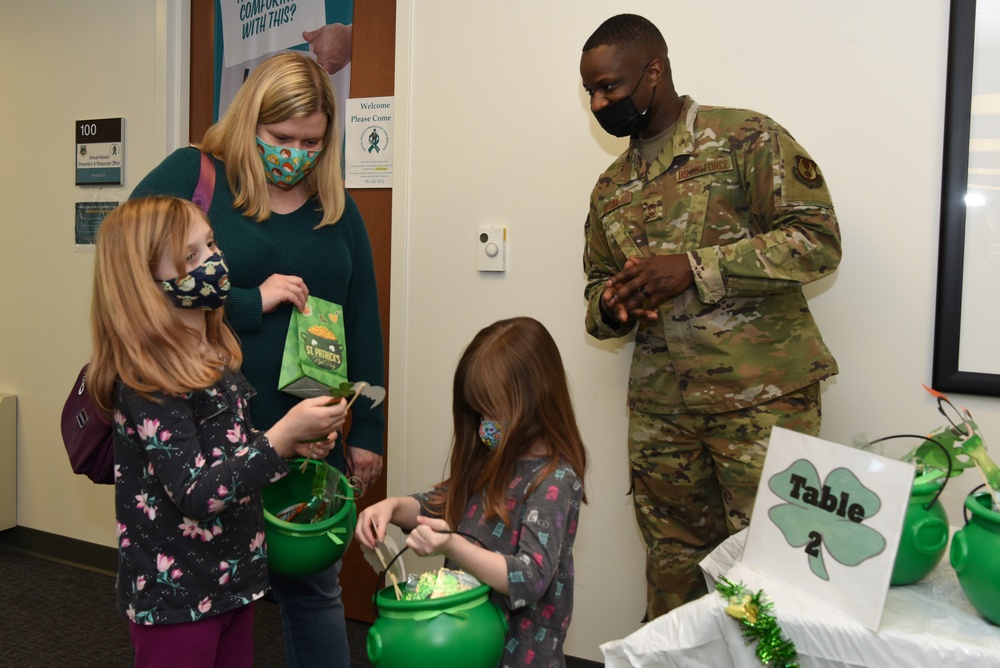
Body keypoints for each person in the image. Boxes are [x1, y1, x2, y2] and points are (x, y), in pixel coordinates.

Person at [579, 14, 841, 620]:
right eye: (590, 92)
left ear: (654, 72)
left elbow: (817, 242)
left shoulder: (746, 138)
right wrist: (613, 306)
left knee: (778, 573)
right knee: (674, 571)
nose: (598, 103)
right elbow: (594, 291)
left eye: (610, 88)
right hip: (662, 414)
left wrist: (695, 267)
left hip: (762, 400)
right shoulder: (610, 187)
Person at [131, 51, 385, 668]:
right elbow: (128, 270)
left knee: (315, 594)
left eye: (312, 141)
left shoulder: (338, 209)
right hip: (205, 438)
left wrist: (368, 429)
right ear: (250, 123)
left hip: (305, 441)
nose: (295, 152)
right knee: (208, 601)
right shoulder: (197, 176)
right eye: (281, 137)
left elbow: (363, 322)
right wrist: (249, 301)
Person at [89, 196, 349, 668]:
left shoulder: (215, 358)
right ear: (144, 284)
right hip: (176, 597)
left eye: (210, 244)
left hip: (232, 578)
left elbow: (233, 457)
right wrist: (280, 436)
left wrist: (289, 446)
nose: (213, 261)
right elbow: (195, 491)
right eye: (191, 256)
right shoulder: (146, 382)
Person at [356, 317, 588, 667]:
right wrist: (389, 507)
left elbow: (529, 576)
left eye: (492, 411)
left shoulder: (555, 481)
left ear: (532, 400)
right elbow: (439, 505)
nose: (484, 425)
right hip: (466, 645)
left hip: (518, 655)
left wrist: (452, 545)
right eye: (478, 412)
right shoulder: (493, 457)